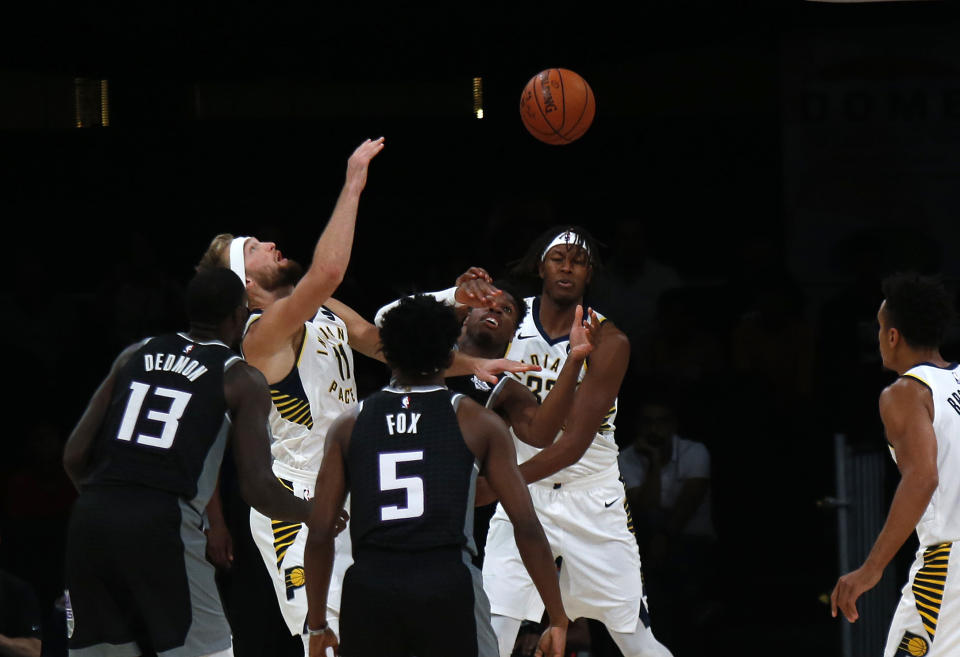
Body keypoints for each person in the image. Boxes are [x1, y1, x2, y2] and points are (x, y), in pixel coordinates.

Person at [196, 139, 535, 654]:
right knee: (330, 642)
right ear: (242, 282)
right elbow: (327, 271)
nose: (269, 244)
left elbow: (380, 341)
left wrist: (466, 341)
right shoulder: (261, 334)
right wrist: (354, 180)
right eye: (253, 247)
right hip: (298, 503)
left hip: (356, 486)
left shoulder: (319, 307)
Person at [61, 268, 312, 657]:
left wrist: (112, 506)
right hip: (161, 522)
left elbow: (74, 456)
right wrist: (314, 512)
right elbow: (258, 488)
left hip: (91, 516)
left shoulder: (135, 352)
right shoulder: (240, 378)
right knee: (210, 650)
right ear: (238, 317)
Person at [303, 295, 569, 657]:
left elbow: (319, 534)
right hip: (445, 579)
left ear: (386, 352)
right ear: (450, 357)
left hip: (370, 585)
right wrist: (556, 618)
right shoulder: (476, 421)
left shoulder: (349, 424)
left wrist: (317, 623)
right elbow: (526, 525)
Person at [476, 227, 673, 657]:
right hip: (524, 499)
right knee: (493, 632)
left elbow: (572, 445)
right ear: (539, 266)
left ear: (590, 274)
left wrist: (498, 483)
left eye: (579, 261)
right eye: (558, 258)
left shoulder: (609, 340)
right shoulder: (508, 319)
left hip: (592, 500)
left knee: (636, 641)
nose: (567, 267)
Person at [831, 272, 959, 657]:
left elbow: (922, 478)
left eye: (880, 327)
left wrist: (870, 569)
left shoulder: (906, 392)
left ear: (892, 336)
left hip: (949, 561)